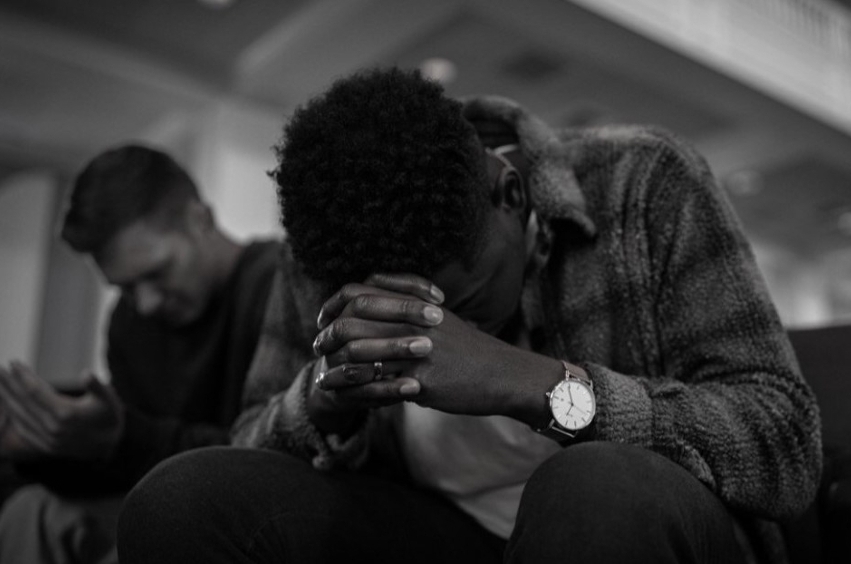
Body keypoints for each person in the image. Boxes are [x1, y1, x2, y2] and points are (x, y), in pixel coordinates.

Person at [117, 67, 823, 564]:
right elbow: (248, 436)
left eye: (457, 300)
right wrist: (322, 399)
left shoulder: (644, 181)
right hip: (441, 530)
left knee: (593, 487)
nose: (436, 333)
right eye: (408, 311)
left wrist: (540, 385)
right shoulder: (322, 250)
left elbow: (783, 442)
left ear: (510, 196)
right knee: (182, 498)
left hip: (634, 523)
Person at [0, 145, 281, 564]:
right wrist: (45, 447)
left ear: (199, 218)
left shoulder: (279, 285)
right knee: (31, 510)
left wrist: (121, 436)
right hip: (159, 500)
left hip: (248, 514)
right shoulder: (129, 324)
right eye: (126, 288)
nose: (145, 303)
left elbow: (269, 453)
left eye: (155, 273)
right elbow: (134, 464)